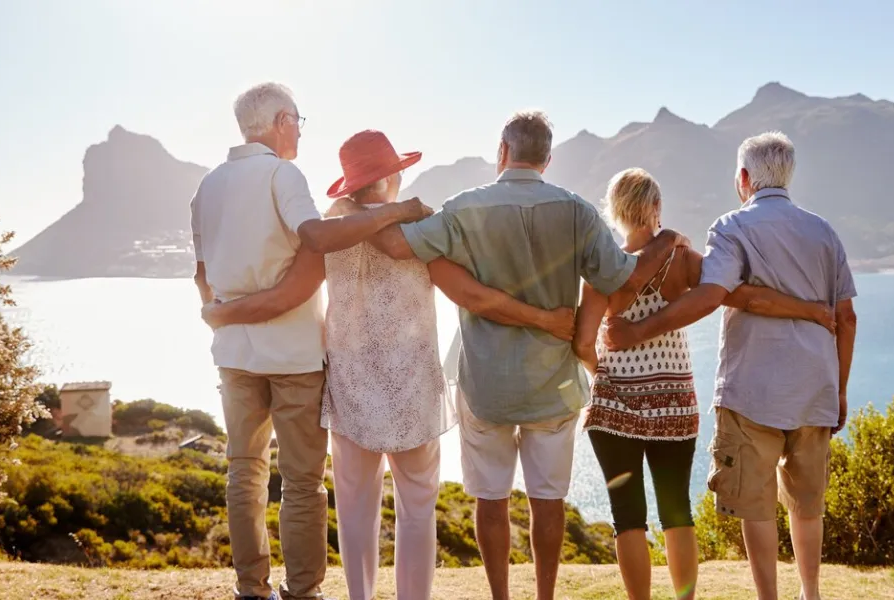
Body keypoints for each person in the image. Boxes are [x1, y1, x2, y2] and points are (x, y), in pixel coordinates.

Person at [202, 130, 574, 600]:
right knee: (417, 510)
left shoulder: (329, 228)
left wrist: (224, 311)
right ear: (393, 175)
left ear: (351, 184)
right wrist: (540, 316)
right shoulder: (419, 230)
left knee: (356, 512)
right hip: (413, 390)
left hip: (352, 389)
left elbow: (292, 293)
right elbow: (469, 292)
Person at [355, 110, 690, 600]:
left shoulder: (463, 209)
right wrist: (665, 239)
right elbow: (625, 277)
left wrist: (388, 209)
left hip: (485, 384)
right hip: (553, 383)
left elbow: (391, 246)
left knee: (490, 501)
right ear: (548, 159)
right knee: (548, 502)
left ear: (502, 151)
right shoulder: (577, 211)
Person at [190, 83, 431, 600]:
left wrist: (225, 313)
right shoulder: (283, 174)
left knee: (244, 473)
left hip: (234, 355)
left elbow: (202, 278)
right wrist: (397, 210)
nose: (300, 128)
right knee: (301, 482)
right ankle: (303, 592)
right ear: (280, 121)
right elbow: (317, 241)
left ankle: (251, 589)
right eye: (298, 119)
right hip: (294, 355)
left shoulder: (206, 187)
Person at [603, 132, 858, 600]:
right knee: (807, 504)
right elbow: (846, 316)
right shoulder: (825, 232)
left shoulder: (732, 227)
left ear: (744, 178)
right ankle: (812, 592)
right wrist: (839, 389)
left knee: (757, 505)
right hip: (815, 389)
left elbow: (714, 295)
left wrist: (639, 330)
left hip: (750, 391)